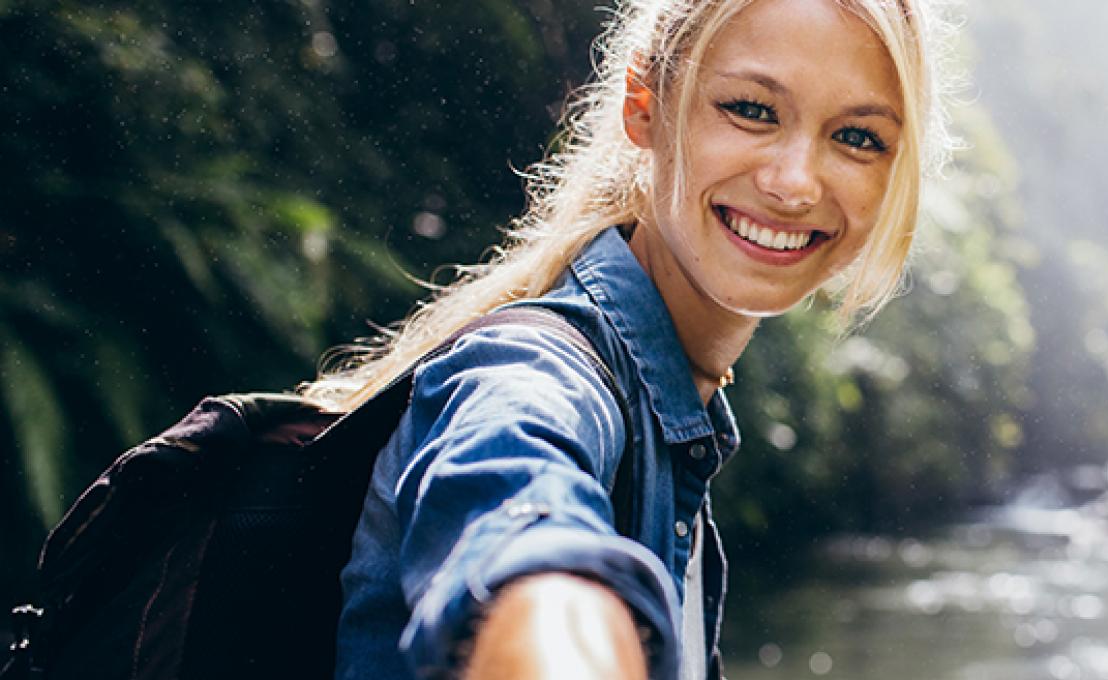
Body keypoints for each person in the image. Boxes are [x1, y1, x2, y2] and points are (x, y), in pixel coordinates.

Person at [298, 0, 955, 677]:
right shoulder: (532, 373)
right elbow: (526, 534)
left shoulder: (677, 423)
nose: (793, 182)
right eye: (753, 110)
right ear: (644, 105)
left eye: (858, 137)